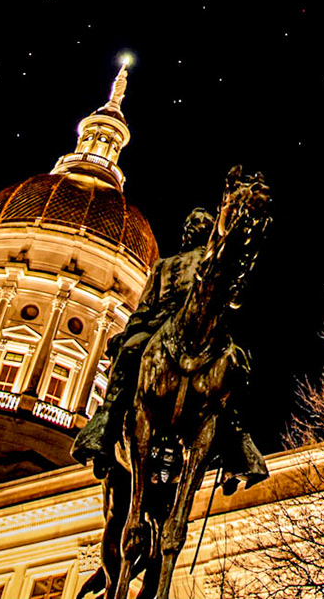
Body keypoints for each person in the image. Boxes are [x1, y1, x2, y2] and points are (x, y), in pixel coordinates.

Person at [71, 207, 269, 491]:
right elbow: (145, 307)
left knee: (237, 365)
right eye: (192, 222)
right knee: (129, 351)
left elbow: (233, 300)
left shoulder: (215, 262)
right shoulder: (163, 265)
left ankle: (237, 443)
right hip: (159, 326)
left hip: (206, 329)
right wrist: (129, 332)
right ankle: (104, 422)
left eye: (202, 222)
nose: (195, 226)